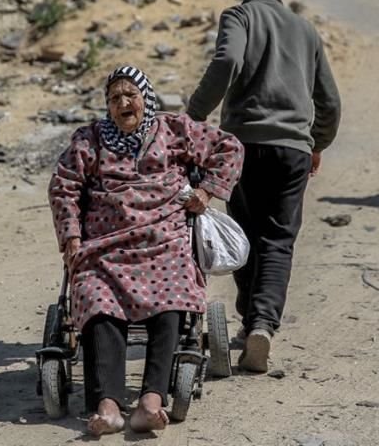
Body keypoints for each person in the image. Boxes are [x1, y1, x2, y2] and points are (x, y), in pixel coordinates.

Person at [49, 65, 244, 435]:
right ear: (107, 106)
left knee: (173, 292)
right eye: (114, 98)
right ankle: (107, 406)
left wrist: (205, 192)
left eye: (130, 96)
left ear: (145, 99)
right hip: (105, 247)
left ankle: (151, 401)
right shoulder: (89, 140)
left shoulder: (174, 130)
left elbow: (229, 147)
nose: (123, 103)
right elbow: (64, 186)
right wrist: (71, 236)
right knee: (94, 296)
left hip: (163, 240)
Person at [187, 0, 342, 373]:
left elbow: (228, 61)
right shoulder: (306, 31)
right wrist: (318, 143)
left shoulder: (238, 17)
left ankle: (249, 320)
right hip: (292, 148)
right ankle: (262, 326)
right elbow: (329, 101)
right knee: (278, 239)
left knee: (244, 233)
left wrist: (194, 116)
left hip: (240, 147)